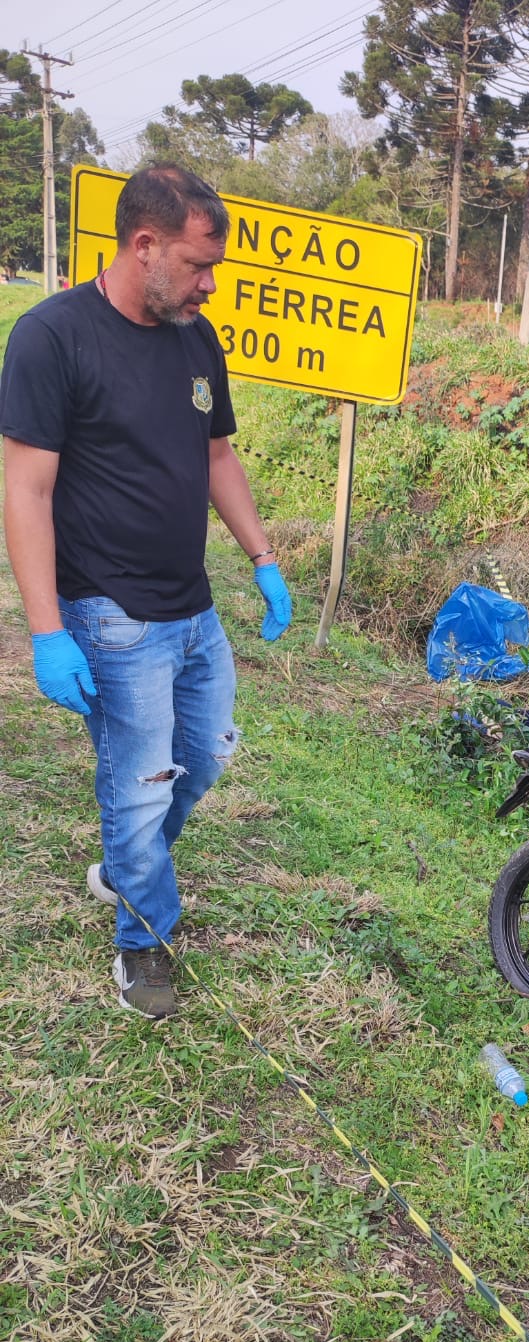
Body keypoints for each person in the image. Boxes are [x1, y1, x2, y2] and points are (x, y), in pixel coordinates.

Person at [0, 164, 292, 1020]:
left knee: (202, 762)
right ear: (144, 245)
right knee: (138, 787)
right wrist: (46, 631)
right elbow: (26, 491)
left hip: (194, 608)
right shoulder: (52, 337)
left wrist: (263, 557)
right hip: (110, 612)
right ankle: (142, 941)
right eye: (199, 266)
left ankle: (127, 868)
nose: (210, 285)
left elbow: (216, 457)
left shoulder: (195, 338)